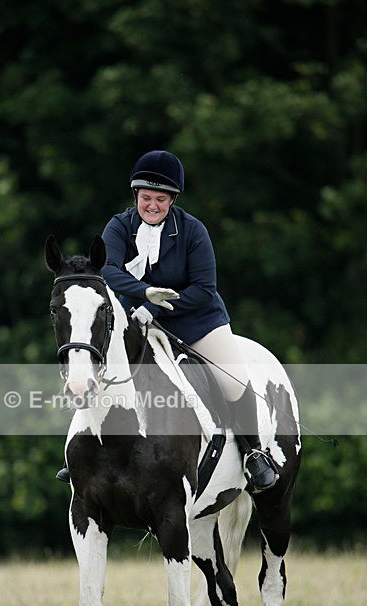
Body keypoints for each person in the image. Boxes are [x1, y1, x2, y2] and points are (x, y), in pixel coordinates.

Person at [56, 150, 278, 493]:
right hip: (135, 320)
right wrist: (145, 297)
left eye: (161, 199)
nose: (153, 205)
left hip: (195, 321)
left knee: (234, 380)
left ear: (172, 200)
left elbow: (204, 289)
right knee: (96, 370)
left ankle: (253, 453)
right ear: (136, 196)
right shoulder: (119, 226)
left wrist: (158, 309)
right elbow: (109, 273)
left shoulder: (193, 231)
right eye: (146, 198)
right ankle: (83, 457)